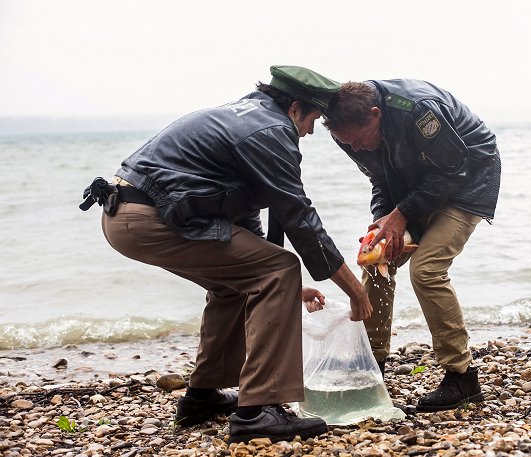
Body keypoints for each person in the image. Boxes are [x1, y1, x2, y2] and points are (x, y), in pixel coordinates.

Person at [79, 65, 373, 443]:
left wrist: (288, 291)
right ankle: (258, 412)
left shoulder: (243, 116)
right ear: (296, 107)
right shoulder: (270, 131)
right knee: (281, 267)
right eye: (314, 118)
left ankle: (202, 396)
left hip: (125, 215)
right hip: (150, 216)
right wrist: (354, 289)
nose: (312, 130)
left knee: (240, 283)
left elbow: (245, 220)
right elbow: (299, 217)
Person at [323, 78, 500, 412]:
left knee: (427, 270)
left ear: (375, 115)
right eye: (347, 144)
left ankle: (462, 377)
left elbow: (453, 172)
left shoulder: (418, 110)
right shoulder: (347, 134)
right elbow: (380, 179)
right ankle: (371, 365)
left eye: (359, 142)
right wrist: (382, 221)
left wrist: (402, 214)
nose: (355, 149)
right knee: (377, 261)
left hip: (468, 179)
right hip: (417, 183)